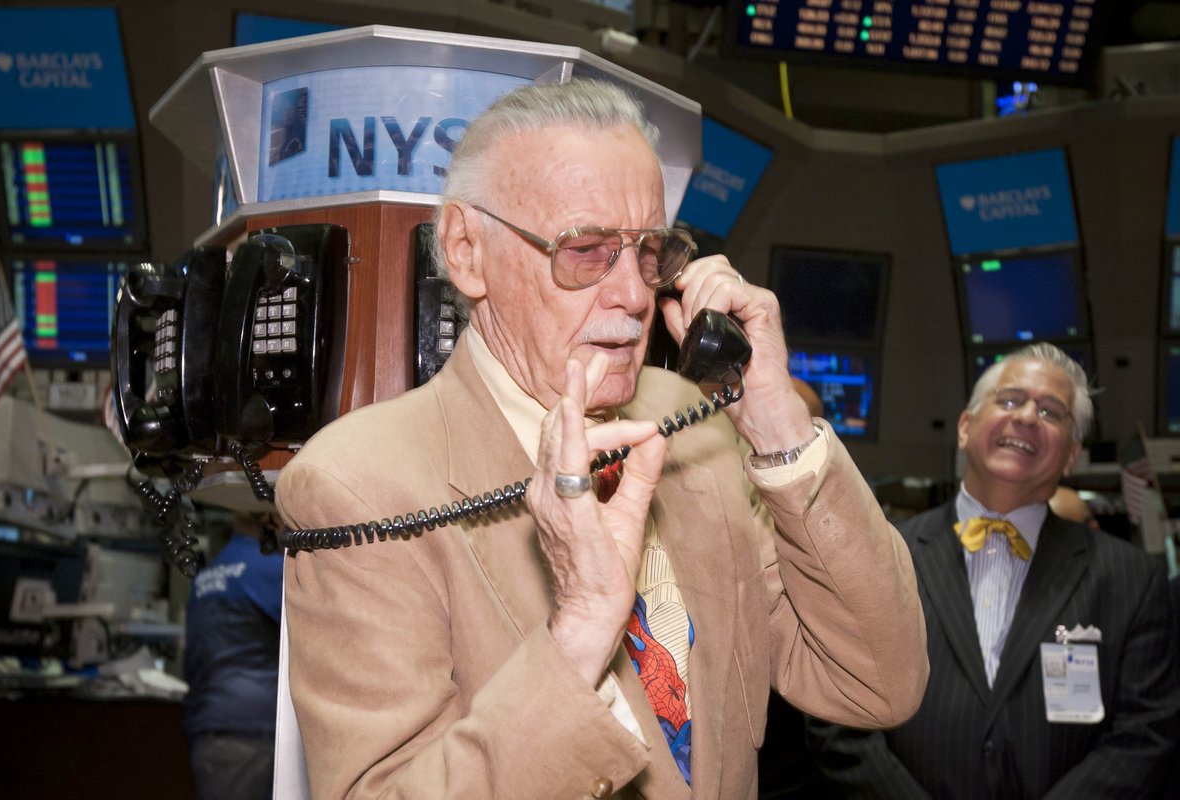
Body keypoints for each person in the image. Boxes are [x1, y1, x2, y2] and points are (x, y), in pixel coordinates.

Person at [274, 79, 927, 799]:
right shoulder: (359, 486)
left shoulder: (696, 428)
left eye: (649, 252)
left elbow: (877, 684)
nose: (635, 295)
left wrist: (778, 429)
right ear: (466, 250)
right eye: (585, 251)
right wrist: (580, 633)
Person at [807, 342, 1180, 799]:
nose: (1026, 416)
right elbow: (838, 718)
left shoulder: (1131, 579)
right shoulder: (880, 553)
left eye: (1051, 411)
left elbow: (1145, 734)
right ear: (965, 427)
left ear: (1070, 455)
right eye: (1009, 400)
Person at [183, 513, 285, 800]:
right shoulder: (271, 569)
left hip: (212, 732)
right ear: (269, 518)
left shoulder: (208, 574)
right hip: (258, 732)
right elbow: (319, 644)